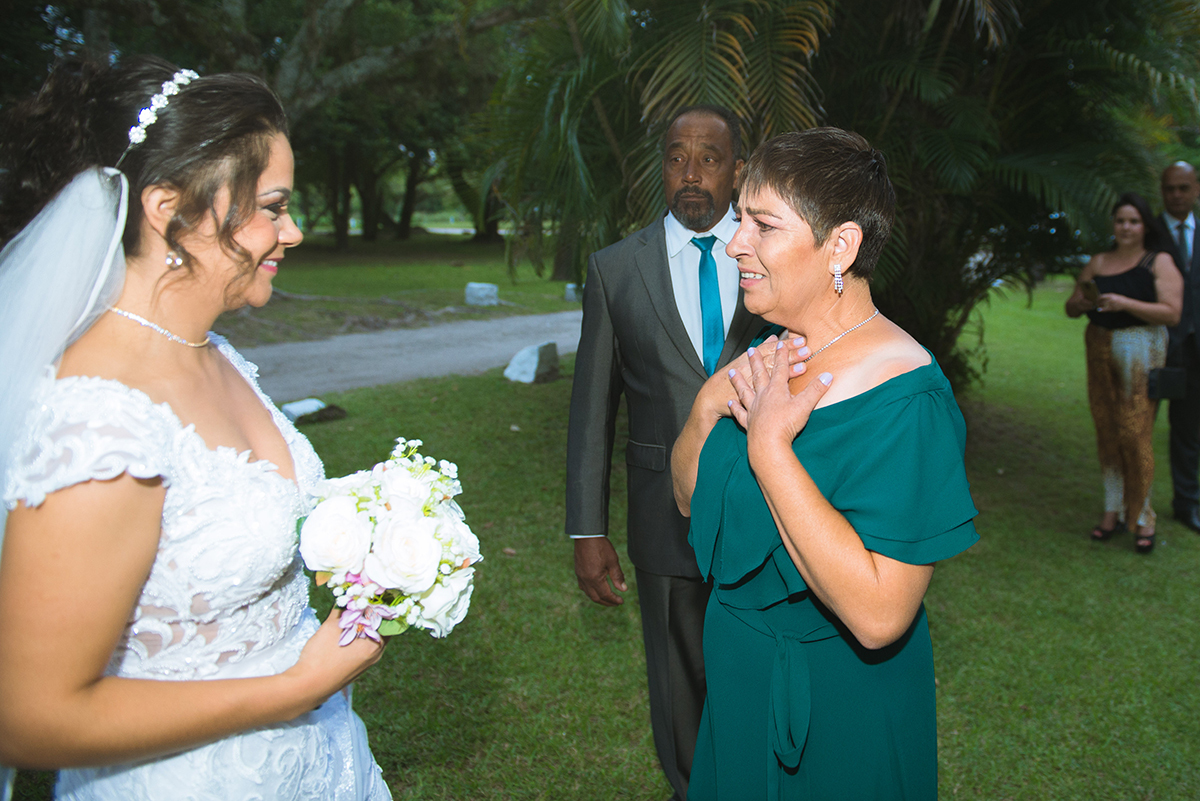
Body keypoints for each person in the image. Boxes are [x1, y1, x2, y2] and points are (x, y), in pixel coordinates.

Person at [0, 57, 391, 799]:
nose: (294, 231)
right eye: (271, 206)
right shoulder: (99, 420)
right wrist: (292, 687)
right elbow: (26, 716)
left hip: (322, 766)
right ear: (167, 209)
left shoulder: (220, 357)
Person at [671, 128, 979, 797]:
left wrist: (770, 448)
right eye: (738, 220)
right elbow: (691, 501)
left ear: (840, 244)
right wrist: (702, 411)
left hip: (841, 703)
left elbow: (878, 614)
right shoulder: (771, 349)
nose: (735, 244)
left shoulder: (908, 398)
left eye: (763, 225)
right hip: (737, 679)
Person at [565, 105, 771, 799]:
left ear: (738, 168)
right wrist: (587, 529)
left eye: (709, 158)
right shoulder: (616, 269)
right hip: (664, 517)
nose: (691, 173)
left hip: (770, 505)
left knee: (758, 666)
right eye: (676, 157)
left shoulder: (772, 256)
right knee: (679, 679)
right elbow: (591, 410)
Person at [1065, 192, 1182, 553]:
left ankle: (1143, 516)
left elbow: (1172, 313)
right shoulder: (1099, 261)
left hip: (1141, 349)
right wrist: (1082, 302)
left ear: (1145, 225)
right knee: (1106, 430)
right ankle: (1111, 510)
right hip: (1098, 344)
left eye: (1133, 221)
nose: (1126, 227)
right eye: (1120, 221)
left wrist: (1125, 303)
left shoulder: (1158, 261)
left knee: (1135, 432)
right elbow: (1071, 307)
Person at [1158, 162, 1200, 533]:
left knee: (1189, 430)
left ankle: (1187, 503)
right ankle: (1130, 507)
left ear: (1196, 189)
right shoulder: (1145, 231)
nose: (1177, 195)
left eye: (1184, 188)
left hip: (1195, 351)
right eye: (1171, 188)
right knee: (1135, 429)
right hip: (1155, 349)